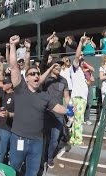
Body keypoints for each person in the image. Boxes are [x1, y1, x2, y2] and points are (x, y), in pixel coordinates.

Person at [8, 35, 67, 176]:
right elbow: (14, 66)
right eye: (32, 73)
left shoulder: (44, 95)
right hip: (19, 139)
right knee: (13, 170)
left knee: (32, 173)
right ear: (26, 77)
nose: (35, 75)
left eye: (37, 74)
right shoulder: (20, 88)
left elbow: (58, 108)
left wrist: (71, 110)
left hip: (36, 143)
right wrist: (13, 46)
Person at [40, 40, 70, 168]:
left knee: (55, 138)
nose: (58, 67)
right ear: (51, 66)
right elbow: (43, 61)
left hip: (58, 114)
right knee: (42, 138)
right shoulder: (45, 77)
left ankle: (50, 157)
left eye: (60, 65)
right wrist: (48, 48)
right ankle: (41, 159)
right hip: (45, 113)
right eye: (56, 65)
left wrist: (68, 108)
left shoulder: (64, 80)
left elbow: (67, 97)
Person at [69, 35, 90, 146]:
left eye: (83, 58)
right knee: (79, 120)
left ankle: (73, 138)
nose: (81, 59)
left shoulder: (81, 71)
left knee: (77, 119)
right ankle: (78, 139)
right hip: (78, 97)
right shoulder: (74, 68)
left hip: (81, 97)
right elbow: (77, 56)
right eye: (80, 58)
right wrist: (81, 43)